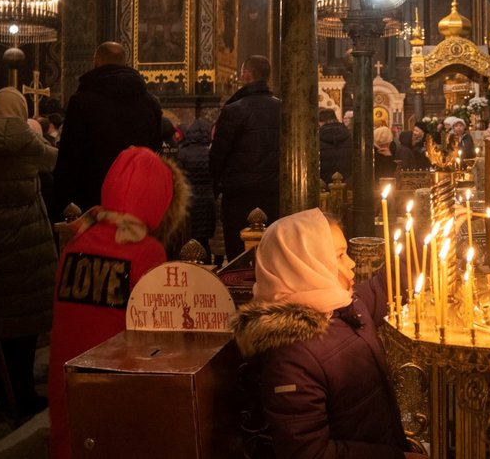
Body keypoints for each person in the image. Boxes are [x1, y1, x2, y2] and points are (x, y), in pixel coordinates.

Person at [231, 208, 423, 459]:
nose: (351, 263)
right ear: (304, 265)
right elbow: (309, 453)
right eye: (340, 256)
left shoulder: (341, 306)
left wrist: (421, 247)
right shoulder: (290, 357)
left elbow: (384, 288)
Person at [49, 146, 188, 459]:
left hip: (67, 384)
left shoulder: (78, 240)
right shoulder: (146, 251)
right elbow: (158, 335)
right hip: (115, 389)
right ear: (160, 200)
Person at [0, 87, 57, 417]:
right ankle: (23, 393)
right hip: (27, 237)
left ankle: (3, 393)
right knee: (25, 324)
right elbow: (53, 162)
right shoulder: (27, 138)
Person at [53, 41, 162, 219]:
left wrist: (61, 202)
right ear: (126, 64)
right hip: (137, 200)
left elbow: (70, 157)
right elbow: (155, 152)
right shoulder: (150, 103)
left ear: (96, 61)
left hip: (92, 203)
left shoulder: (81, 102)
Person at [210, 55, 280, 259]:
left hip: (239, 195)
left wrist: (215, 187)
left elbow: (218, 155)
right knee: (272, 251)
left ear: (246, 76)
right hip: (274, 193)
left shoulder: (233, 110)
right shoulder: (282, 108)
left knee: (238, 253)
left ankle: (237, 289)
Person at [177, 119, 217, 258]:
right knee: (204, 238)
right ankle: (206, 263)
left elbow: (179, 177)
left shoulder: (183, 153)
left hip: (189, 199)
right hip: (207, 198)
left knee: (189, 235)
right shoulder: (211, 153)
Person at [319, 108, 352, 186]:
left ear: (320, 122)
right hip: (347, 182)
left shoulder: (316, 138)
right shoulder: (349, 135)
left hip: (322, 184)